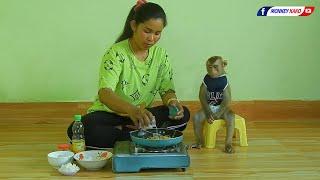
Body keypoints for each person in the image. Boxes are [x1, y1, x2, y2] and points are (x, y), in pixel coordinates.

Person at [67, 0, 190, 148]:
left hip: (141, 117)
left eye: (157, 33)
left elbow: (167, 90)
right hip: (111, 115)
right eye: (147, 31)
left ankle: (128, 134)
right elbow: (105, 93)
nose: (152, 38)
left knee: (185, 115)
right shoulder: (116, 53)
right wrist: (132, 110)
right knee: (80, 128)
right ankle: (142, 135)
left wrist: (172, 103)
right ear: (133, 26)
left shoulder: (161, 55)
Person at [192, 56, 235, 153]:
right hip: (209, 107)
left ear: (223, 65)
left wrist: (219, 113)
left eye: (215, 67)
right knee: (196, 118)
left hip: (222, 108)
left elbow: (227, 100)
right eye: (209, 67)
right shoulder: (206, 80)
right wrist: (208, 112)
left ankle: (228, 144)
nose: (212, 71)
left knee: (231, 117)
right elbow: (202, 96)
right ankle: (200, 141)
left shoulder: (224, 81)